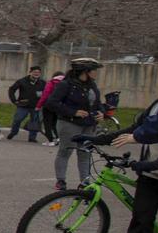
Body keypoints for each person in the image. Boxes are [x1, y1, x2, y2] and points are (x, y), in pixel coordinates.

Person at [105, 93, 158, 233]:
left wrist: (149, 163)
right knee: (141, 219)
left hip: (153, 167)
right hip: (151, 174)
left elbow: (151, 131)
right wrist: (98, 139)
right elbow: (137, 128)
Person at [46, 58, 106, 190]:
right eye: (94, 70)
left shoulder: (92, 85)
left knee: (85, 153)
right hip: (69, 123)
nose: (96, 73)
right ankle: (61, 180)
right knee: (65, 151)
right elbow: (51, 103)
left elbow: (97, 103)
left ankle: (84, 182)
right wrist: (73, 112)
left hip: (89, 124)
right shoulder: (66, 84)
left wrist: (102, 112)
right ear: (85, 71)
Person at [6, 65, 46, 142]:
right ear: (30, 72)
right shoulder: (22, 81)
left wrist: (43, 103)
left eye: (38, 72)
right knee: (17, 119)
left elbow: (46, 93)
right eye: (34, 72)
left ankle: (32, 138)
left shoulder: (43, 83)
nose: (36, 74)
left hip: (36, 106)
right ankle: (13, 132)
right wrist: (14, 100)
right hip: (23, 105)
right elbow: (11, 90)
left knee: (34, 121)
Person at [39, 69, 66, 146]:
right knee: (55, 123)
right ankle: (58, 138)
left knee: (47, 123)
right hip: (59, 106)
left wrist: (39, 105)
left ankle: (50, 140)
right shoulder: (66, 84)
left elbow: (45, 95)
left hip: (48, 105)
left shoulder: (51, 83)